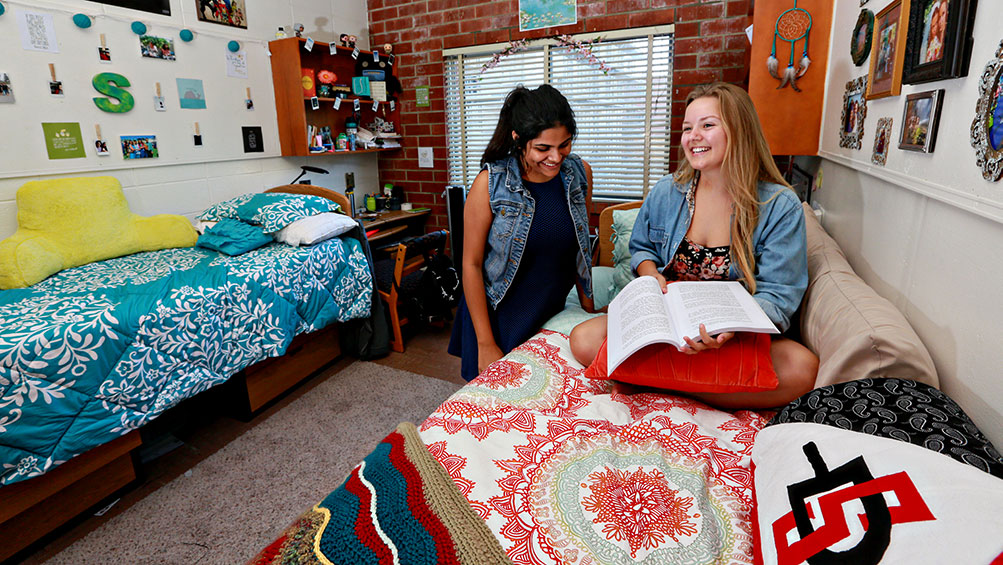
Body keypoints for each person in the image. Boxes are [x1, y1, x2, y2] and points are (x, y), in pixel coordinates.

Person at [569, 82, 818, 409]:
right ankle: (711, 388)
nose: (692, 136)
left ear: (739, 131)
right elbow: (642, 249)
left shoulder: (779, 204)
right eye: (688, 128)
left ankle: (655, 383)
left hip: (730, 334)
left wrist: (728, 328)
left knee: (803, 369)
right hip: (665, 327)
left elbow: (779, 294)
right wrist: (650, 275)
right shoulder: (666, 192)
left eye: (707, 125)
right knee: (583, 339)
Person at [448, 84, 596, 381]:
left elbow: (580, 247)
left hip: (549, 311)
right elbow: (471, 265)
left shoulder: (579, 173)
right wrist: (486, 343)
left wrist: (588, 308)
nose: (556, 157)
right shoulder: (490, 184)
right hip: (499, 317)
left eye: (564, 144)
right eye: (543, 148)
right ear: (518, 138)